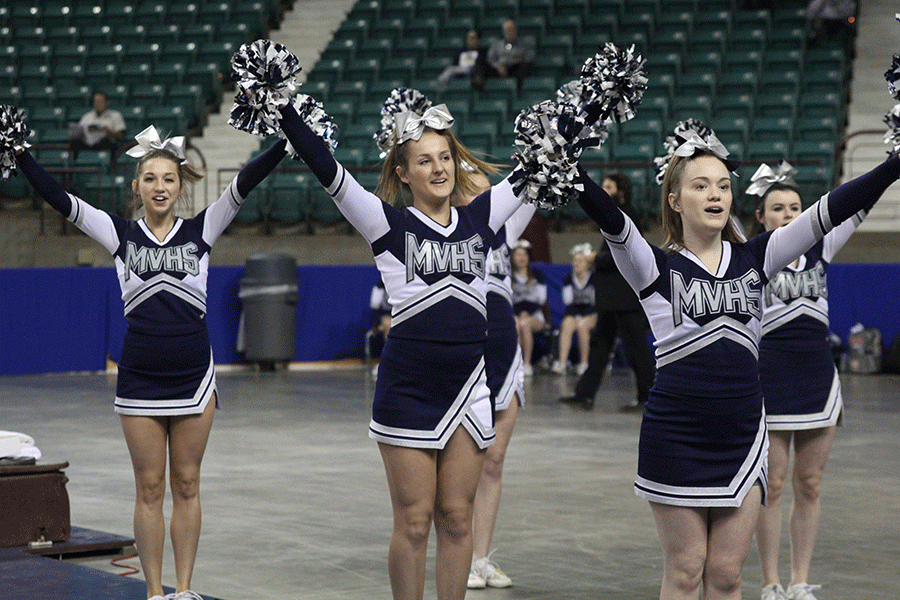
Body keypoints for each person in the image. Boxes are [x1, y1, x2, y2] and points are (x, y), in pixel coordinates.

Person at [571, 123, 900, 599]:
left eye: (723, 185)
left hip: (743, 435)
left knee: (726, 575)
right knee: (685, 571)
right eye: (700, 185)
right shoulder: (652, 265)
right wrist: (567, 168)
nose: (715, 194)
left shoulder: (757, 257)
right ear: (675, 200)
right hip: (676, 435)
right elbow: (611, 218)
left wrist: (892, 167)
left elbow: (828, 211)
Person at [14, 120, 288, 600]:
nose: (159, 187)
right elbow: (61, 200)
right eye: (150, 179)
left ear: (180, 185)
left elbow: (245, 180)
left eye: (168, 179)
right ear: (136, 186)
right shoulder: (120, 234)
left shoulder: (203, 228)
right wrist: (19, 153)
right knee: (149, 487)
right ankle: (154, 594)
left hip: (194, 378)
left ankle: (183, 590)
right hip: (139, 377)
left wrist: (289, 140)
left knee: (186, 483)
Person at [276, 95, 531, 600]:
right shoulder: (386, 225)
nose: (438, 168)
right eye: (424, 160)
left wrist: (595, 103)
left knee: (457, 519)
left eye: (444, 158)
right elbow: (327, 169)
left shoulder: (481, 218)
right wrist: (281, 106)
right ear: (403, 172)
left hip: (468, 390)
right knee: (414, 523)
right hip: (409, 391)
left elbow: (542, 161)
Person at [748, 162, 876, 600]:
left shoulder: (823, 245)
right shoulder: (752, 253)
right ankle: (771, 581)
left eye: (796, 207)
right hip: (771, 378)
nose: (788, 215)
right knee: (774, 483)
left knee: (811, 484)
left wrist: (894, 161)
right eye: (778, 208)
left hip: (818, 377)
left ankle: (801, 580)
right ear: (761, 216)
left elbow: (861, 199)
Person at [454, 170, 535, 589]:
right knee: (464, 468)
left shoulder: (505, 227)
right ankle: (460, 555)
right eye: (474, 189)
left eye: (488, 190)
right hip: (466, 353)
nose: (484, 196)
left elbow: (538, 185)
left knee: (495, 463)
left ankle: (481, 557)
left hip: (504, 354)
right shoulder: (447, 231)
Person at [559, 172, 656, 410]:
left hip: (624, 298)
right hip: (612, 300)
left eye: (608, 186)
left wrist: (596, 258)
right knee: (600, 347)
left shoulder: (628, 215)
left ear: (620, 191)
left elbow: (628, 255)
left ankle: (648, 397)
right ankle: (584, 394)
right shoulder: (614, 216)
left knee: (637, 350)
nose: (603, 190)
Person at [552, 243, 596, 375]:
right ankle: (562, 363)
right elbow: (568, 302)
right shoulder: (568, 279)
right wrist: (576, 316)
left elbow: (597, 303)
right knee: (566, 324)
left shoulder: (594, 278)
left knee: (582, 326)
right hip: (574, 313)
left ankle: (584, 363)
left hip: (592, 314)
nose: (576, 264)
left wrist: (583, 317)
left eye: (580, 261)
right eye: (574, 261)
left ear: (588, 264)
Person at [510, 239, 549, 377]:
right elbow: (507, 300)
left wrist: (527, 312)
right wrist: (518, 313)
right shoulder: (509, 276)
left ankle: (526, 364)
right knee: (515, 324)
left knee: (525, 324)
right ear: (512, 257)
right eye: (518, 255)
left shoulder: (537, 275)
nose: (522, 258)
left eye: (524, 254)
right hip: (515, 314)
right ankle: (516, 363)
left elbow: (542, 299)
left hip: (535, 315)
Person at [473, 19, 535, 92]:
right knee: (481, 62)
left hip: (514, 69)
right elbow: (490, 59)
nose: (509, 32)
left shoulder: (523, 46)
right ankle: (478, 83)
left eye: (511, 30)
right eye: (507, 30)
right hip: (498, 69)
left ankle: (518, 90)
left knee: (524, 67)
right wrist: (498, 66)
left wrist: (517, 61)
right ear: (503, 31)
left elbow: (530, 57)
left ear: (516, 31)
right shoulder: (496, 45)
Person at [70, 90, 126, 157]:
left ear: (107, 102)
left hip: (105, 143)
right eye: (96, 102)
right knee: (75, 143)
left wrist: (108, 132)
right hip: (88, 144)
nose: (97, 104)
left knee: (108, 143)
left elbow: (121, 136)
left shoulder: (116, 115)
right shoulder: (87, 116)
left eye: (100, 102)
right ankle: (75, 165)